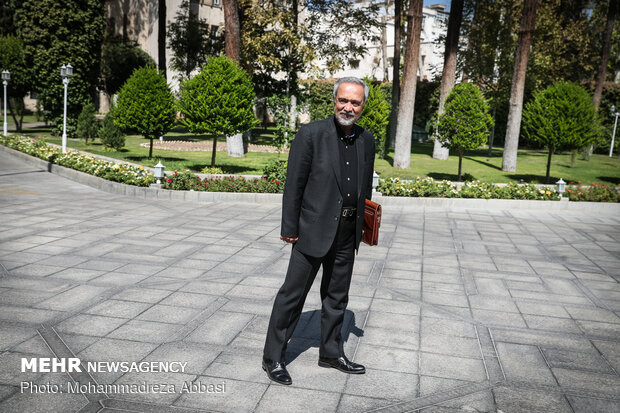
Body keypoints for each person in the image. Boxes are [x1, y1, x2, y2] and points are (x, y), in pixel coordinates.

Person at [262, 77, 376, 385]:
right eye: (343, 100)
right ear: (334, 100)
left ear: (363, 106)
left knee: (337, 297)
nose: (348, 107)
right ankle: (273, 357)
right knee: (292, 295)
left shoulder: (367, 140)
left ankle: (330, 352)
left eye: (355, 102)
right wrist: (289, 226)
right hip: (311, 230)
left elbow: (364, 187)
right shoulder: (311, 134)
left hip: (347, 233)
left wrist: (365, 227)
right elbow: (294, 185)